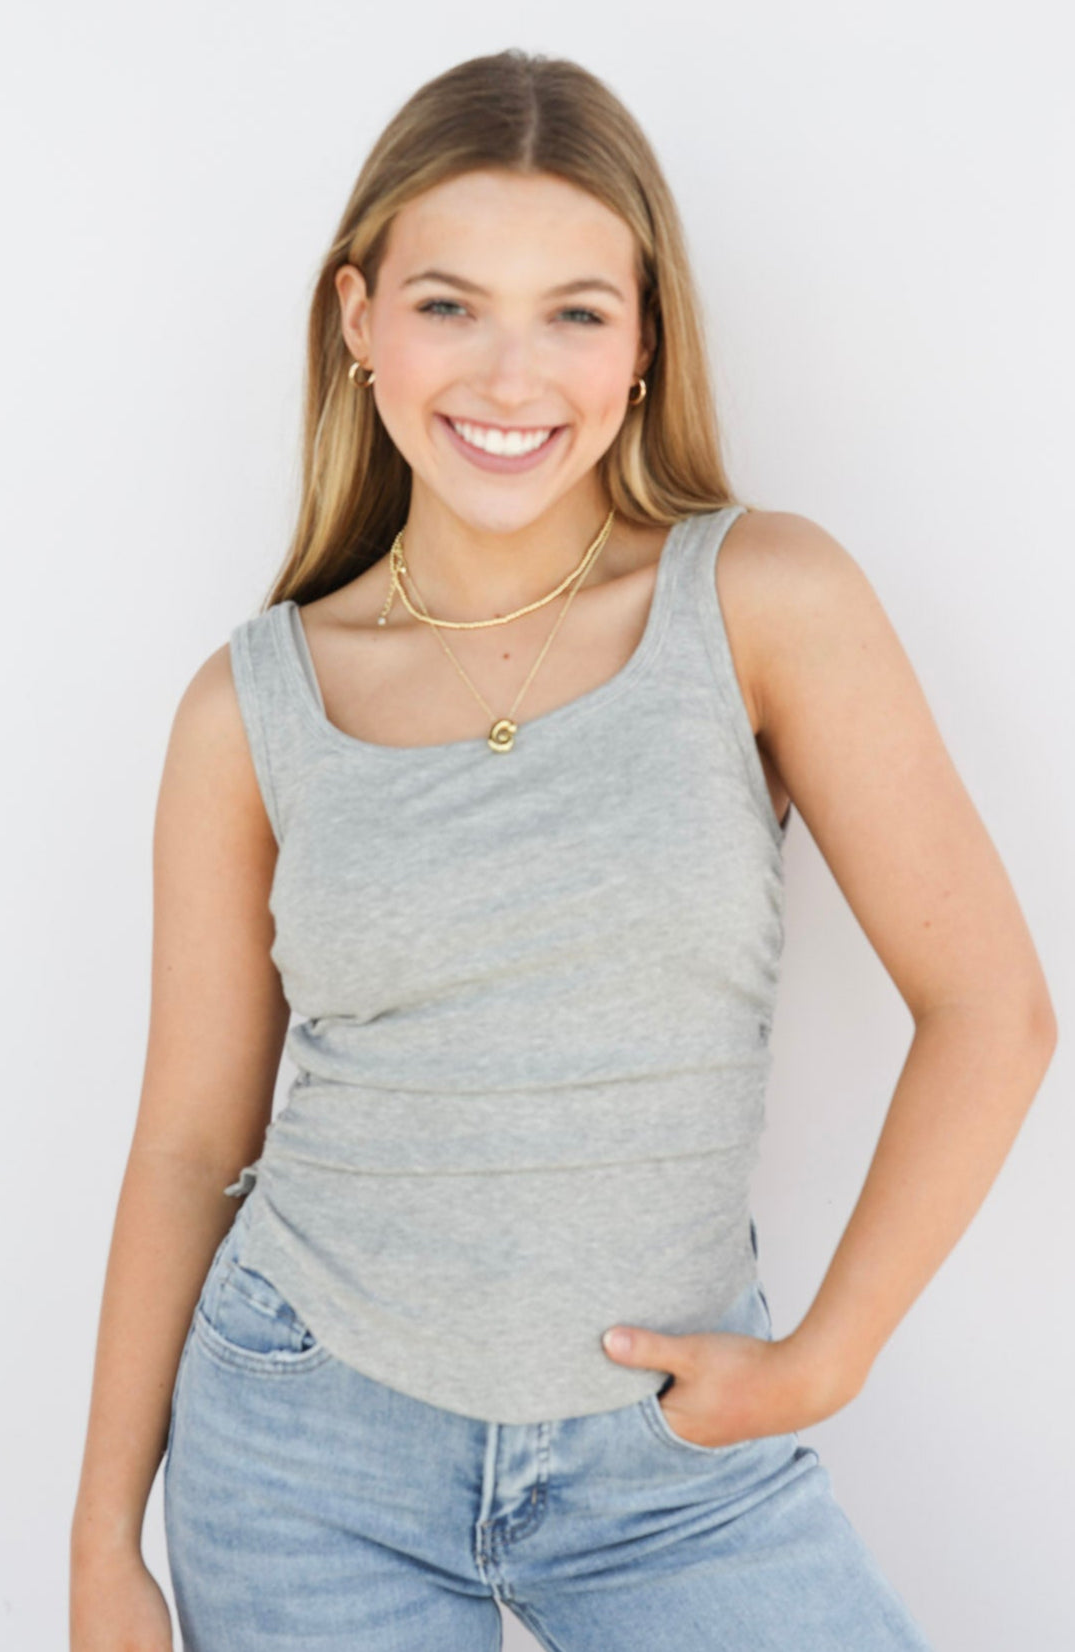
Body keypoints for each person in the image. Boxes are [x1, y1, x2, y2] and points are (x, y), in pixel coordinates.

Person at [70, 47, 1057, 1652]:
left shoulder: (763, 602)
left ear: (644, 339)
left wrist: (824, 1358)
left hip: (669, 1464)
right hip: (304, 1454)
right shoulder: (249, 706)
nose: (510, 376)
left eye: (575, 313)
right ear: (357, 323)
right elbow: (188, 1145)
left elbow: (990, 1012)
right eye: (448, 304)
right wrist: (102, 1538)